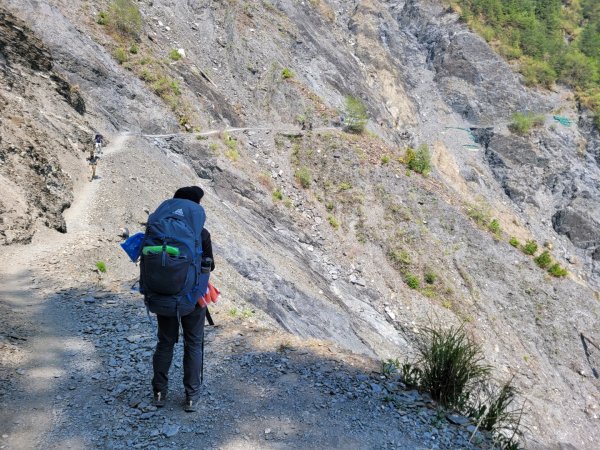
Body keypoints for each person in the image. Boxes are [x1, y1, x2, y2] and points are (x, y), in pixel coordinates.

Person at [152, 186, 215, 412]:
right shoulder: (201, 233)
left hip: (163, 294)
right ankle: (191, 396)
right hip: (192, 299)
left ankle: (159, 392)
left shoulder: (159, 229)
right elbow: (210, 265)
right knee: (193, 343)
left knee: (165, 342)